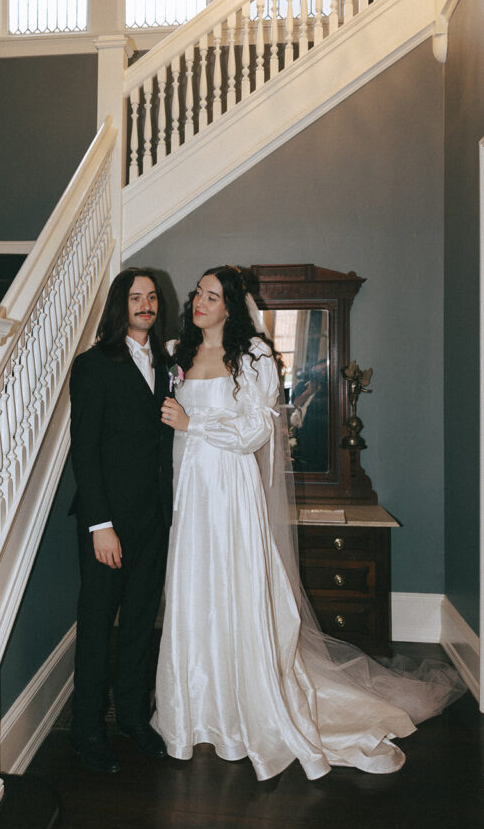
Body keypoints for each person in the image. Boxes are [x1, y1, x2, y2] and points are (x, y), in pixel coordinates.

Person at [153, 265, 464, 781]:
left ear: (232, 305)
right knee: (194, 592)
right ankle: (195, 712)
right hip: (188, 491)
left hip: (229, 490)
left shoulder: (253, 356)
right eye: (197, 294)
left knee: (235, 589)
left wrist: (195, 422)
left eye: (212, 295)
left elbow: (256, 430)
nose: (199, 302)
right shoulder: (177, 353)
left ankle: (244, 713)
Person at [69, 267, 173, 773]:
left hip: (155, 518)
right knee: (95, 627)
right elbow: (84, 452)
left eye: (152, 297)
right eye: (136, 297)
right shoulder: (93, 365)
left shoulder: (169, 362)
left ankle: (132, 717)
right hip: (108, 524)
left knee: (138, 623)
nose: (146, 304)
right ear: (120, 305)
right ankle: (87, 729)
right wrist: (99, 525)